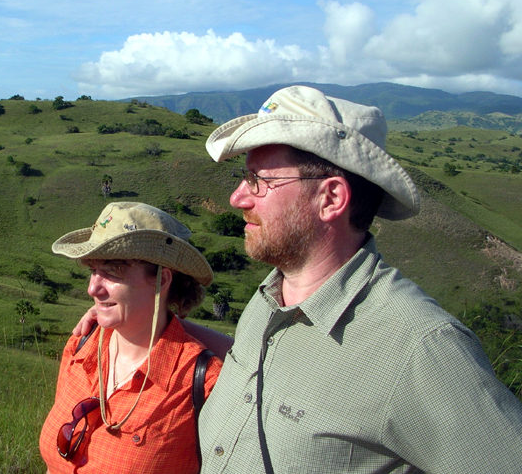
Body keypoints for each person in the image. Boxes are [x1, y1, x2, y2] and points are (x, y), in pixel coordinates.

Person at [196, 85, 522, 473]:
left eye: (258, 181)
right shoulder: (269, 298)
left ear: (331, 198)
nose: (238, 198)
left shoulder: (420, 347)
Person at [39, 202, 223, 474]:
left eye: (112, 272)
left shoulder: (201, 384)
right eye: (93, 270)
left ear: (161, 280)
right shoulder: (80, 347)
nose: (93, 288)